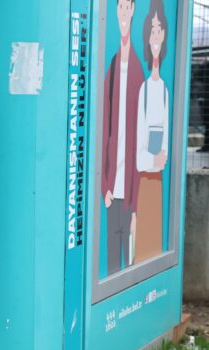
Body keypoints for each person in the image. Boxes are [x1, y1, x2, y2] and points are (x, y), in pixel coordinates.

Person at [102, 0, 144, 274]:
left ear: (133, 11)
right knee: (111, 259)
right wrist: (105, 183)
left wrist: (137, 201)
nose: (124, 14)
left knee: (127, 260)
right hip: (112, 186)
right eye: (120, 7)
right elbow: (104, 126)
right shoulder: (113, 65)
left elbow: (141, 142)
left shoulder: (138, 70)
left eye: (128, 7)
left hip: (130, 186)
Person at [134, 0, 169, 262]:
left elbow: (165, 136)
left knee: (154, 248)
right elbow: (138, 152)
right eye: (152, 30)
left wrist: (162, 156)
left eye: (159, 30)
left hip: (157, 182)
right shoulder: (144, 90)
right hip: (145, 181)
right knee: (143, 247)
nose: (155, 36)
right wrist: (152, 160)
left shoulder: (165, 90)